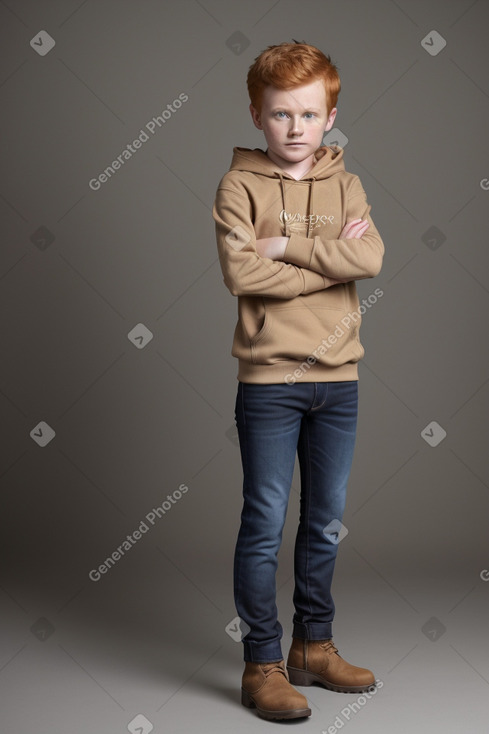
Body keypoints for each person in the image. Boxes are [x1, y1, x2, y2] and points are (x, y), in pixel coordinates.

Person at [212, 40, 384, 722]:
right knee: (263, 522)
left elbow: (369, 255)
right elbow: (240, 273)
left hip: (338, 381)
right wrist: (331, 260)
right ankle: (262, 662)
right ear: (256, 114)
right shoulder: (238, 186)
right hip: (269, 381)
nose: (294, 129)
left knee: (324, 522)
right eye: (280, 114)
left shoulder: (346, 181)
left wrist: (283, 246)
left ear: (329, 115)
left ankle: (314, 647)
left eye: (308, 115)